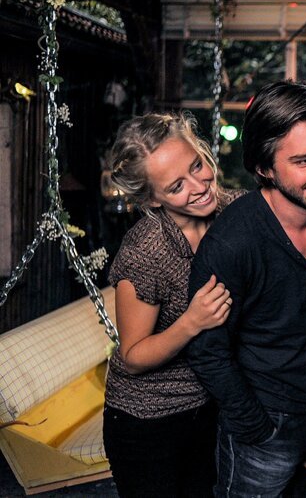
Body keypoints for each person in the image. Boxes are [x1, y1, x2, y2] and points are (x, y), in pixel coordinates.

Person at [185, 80, 306, 498]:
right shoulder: (232, 243)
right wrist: (254, 426)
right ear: (264, 167)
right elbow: (207, 349)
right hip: (268, 424)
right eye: (303, 160)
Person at [103, 112, 241, 497]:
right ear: (151, 198)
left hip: (211, 410)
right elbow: (131, 355)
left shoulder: (235, 212)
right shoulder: (146, 252)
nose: (199, 186)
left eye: (197, 164)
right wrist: (191, 322)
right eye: (177, 186)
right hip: (148, 425)